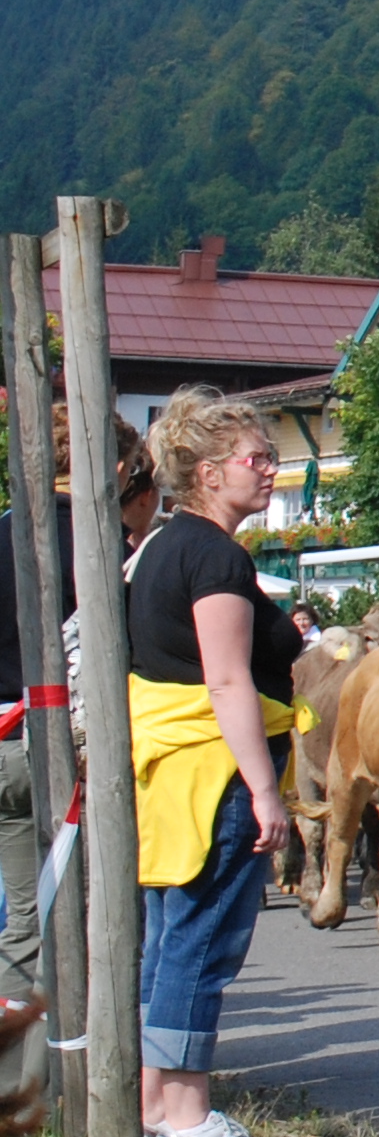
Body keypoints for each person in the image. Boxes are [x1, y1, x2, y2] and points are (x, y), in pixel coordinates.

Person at [127, 388, 303, 1137]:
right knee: (203, 945)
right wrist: (266, 792)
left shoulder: (161, 547)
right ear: (205, 471)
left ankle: (152, 1108)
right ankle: (189, 1116)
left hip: (172, 776)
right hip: (216, 778)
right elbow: (227, 682)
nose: (270, 470)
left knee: (169, 942)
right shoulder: (215, 555)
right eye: (256, 458)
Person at [0, 420, 153, 991]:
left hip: (3, 741)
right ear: (116, 469)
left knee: (24, 920)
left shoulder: (8, 529)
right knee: (92, 908)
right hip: (66, 744)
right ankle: (83, 1058)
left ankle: (20, 1072)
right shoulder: (98, 543)